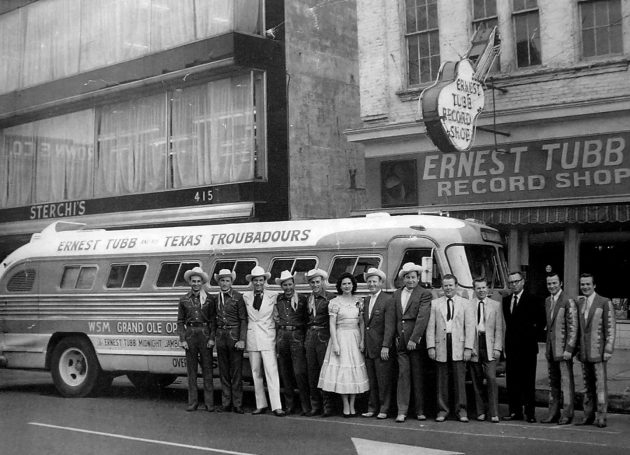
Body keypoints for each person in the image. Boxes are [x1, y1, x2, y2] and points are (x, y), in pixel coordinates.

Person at [318, 272, 369, 417]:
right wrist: (335, 343)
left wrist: (362, 340)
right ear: (340, 286)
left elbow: (361, 322)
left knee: (354, 373)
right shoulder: (335, 302)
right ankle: (345, 405)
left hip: (355, 337)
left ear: (353, 285)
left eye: (349, 283)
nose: (347, 286)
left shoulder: (359, 301)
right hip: (341, 336)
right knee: (343, 373)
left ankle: (353, 404)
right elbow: (332, 324)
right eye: (344, 284)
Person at [427, 274, 475, 422]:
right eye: (445, 285)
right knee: (442, 380)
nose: (448, 288)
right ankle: (443, 410)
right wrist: (431, 347)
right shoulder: (435, 303)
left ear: (456, 286)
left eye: (450, 285)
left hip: (459, 345)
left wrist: (468, 348)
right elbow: (430, 327)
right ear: (442, 287)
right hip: (441, 344)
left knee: (459, 380)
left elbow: (470, 327)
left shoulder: (465, 303)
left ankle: (461, 411)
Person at [502, 271, 546, 423]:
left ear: (523, 281)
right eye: (511, 282)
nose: (513, 284)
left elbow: (542, 322)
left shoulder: (534, 299)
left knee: (528, 382)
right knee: (512, 381)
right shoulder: (506, 300)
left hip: (527, 347)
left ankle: (530, 413)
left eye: (516, 281)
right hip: (512, 348)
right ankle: (515, 411)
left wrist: (532, 335)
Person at [393, 262, 433, 423]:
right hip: (400, 341)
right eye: (407, 277)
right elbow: (394, 318)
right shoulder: (396, 294)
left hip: (415, 341)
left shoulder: (424, 293)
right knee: (403, 375)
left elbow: (423, 317)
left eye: (413, 277)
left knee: (417, 376)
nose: (410, 280)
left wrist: (414, 339)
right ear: (403, 279)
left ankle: (419, 410)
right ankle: (402, 411)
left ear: (418, 278)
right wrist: (395, 337)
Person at [243, 266, 285, 417]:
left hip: (268, 336)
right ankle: (260, 404)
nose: (258, 283)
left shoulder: (273, 296)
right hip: (253, 336)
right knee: (255, 372)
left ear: (265, 281)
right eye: (256, 280)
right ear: (252, 282)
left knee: (271, 371)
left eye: (261, 280)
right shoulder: (246, 296)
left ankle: (277, 406)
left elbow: (278, 314)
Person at [575, 273, 616, 428]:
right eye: (582, 284)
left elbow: (610, 328)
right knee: (587, 385)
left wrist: (608, 349)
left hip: (598, 351)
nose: (585, 287)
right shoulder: (579, 303)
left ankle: (601, 416)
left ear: (594, 285)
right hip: (584, 352)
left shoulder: (604, 302)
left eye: (588, 284)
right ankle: (587, 415)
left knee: (600, 385)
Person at [177, 266, 216, 412]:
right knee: (191, 371)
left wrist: (212, 338)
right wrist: (182, 339)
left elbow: (213, 320)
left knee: (207, 370)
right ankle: (192, 402)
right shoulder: (184, 299)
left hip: (205, 333)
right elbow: (180, 321)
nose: (196, 284)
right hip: (190, 333)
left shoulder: (210, 299)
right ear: (190, 282)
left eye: (199, 281)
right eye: (193, 281)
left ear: (202, 283)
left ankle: (209, 403)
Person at [541, 273, 578, 425]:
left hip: (563, 351)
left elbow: (573, 327)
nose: (552, 286)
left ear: (560, 283)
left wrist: (569, 348)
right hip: (551, 350)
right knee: (553, 384)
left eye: (554, 283)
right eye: (549, 283)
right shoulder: (547, 301)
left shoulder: (568, 301)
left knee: (566, 383)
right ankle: (553, 413)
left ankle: (567, 414)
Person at [361, 268, 395, 420]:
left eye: (375, 281)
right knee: (371, 380)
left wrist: (386, 346)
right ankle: (372, 407)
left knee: (383, 380)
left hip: (381, 347)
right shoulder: (366, 300)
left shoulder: (388, 299)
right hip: (369, 346)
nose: (372, 284)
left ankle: (384, 408)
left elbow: (390, 326)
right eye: (369, 281)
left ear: (381, 283)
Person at [275, 270, 311, 415]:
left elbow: (307, 319)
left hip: (297, 334)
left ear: (294, 284)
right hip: (282, 335)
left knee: (299, 372)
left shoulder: (303, 299)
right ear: (282, 286)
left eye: (290, 284)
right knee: (285, 372)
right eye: (285, 285)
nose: (288, 288)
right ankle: (289, 405)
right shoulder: (279, 299)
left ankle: (305, 406)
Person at [468, 276, 503, 423]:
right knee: (476, 381)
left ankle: (494, 412)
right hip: (475, 345)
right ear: (474, 289)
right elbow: (467, 328)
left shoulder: (496, 305)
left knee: (491, 378)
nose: (481, 290)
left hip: (489, 345)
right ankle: (480, 411)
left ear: (487, 289)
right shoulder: (468, 305)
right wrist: (469, 347)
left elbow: (499, 329)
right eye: (478, 288)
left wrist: (497, 348)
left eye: (483, 287)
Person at [213, 268, 247, 414]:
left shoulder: (238, 297)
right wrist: (213, 337)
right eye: (222, 280)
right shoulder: (215, 298)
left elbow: (243, 320)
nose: (224, 283)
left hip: (234, 336)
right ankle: (226, 403)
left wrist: (242, 339)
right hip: (221, 336)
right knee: (224, 371)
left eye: (227, 280)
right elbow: (213, 320)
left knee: (236, 372)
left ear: (231, 282)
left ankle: (237, 404)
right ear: (219, 282)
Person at [304, 268, 336, 417]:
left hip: (324, 336)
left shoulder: (331, 298)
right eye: (312, 282)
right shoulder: (308, 299)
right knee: (312, 372)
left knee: (325, 371)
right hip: (311, 336)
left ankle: (328, 407)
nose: (315, 285)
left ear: (323, 282)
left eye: (317, 282)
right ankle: (315, 406)